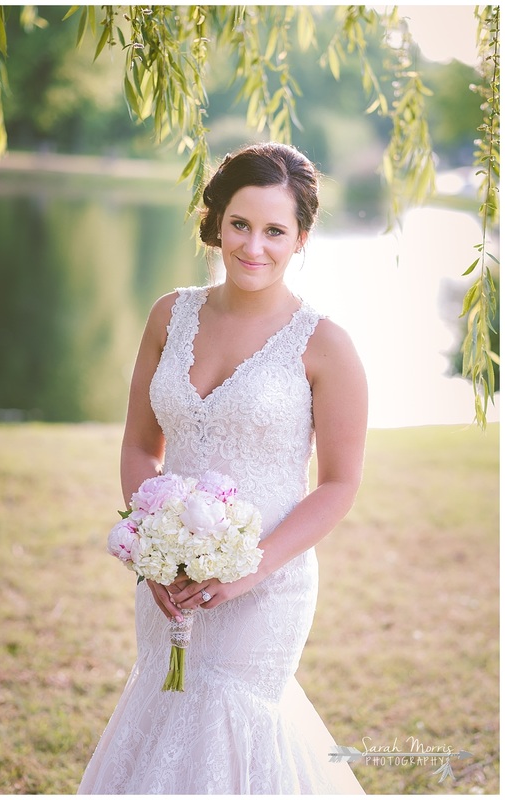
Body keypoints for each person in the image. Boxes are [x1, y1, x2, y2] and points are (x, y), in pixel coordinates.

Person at [78, 142, 367, 794]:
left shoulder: (325, 344)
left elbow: (341, 484)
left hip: (266, 584)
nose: (253, 247)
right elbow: (138, 446)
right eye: (240, 224)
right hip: (169, 577)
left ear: (301, 237)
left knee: (231, 725)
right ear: (215, 221)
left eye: (275, 231)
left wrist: (250, 567)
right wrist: (155, 552)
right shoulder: (169, 315)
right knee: (167, 707)